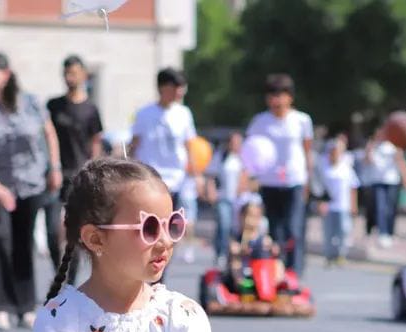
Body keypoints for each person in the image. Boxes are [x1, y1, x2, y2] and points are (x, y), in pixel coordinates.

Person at [22, 156, 230, 332]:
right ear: (96, 238)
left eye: (172, 225)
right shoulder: (62, 316)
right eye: (149, 228)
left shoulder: (182, 313)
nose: (165, 241)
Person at [0, 52, 63, 331]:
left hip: (30, 183)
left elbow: (49, 133)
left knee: (23, 242)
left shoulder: (29, 103)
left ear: (6, 74)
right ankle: (2, 306)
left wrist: (54, 167)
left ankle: (26, 305)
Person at [245, 73, 314, 273]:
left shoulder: (301, 120)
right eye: (271, 95)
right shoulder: (260, 121)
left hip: (294, 181)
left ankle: (294, 272)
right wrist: (250, 176)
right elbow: (250, 149)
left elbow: (307, 151)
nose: (275, 100)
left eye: (280, 95)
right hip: (269, 182)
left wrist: (309, 180)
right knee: (274, 231)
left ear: (289, 97)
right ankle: (277, 270)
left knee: (294, 229)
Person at [44, 55, 104, 278]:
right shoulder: (54, 106)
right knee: (52, 230)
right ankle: (57, 268)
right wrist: (52, 166)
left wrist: (93, 172)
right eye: (67, 73)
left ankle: (69, 281)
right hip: (55, 174)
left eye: (74, 73)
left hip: (79, 176)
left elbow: (95, 142)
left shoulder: (90, 109)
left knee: (74, 230)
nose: (70, 77)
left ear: (83, 75)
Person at [130, 67, 199, 210]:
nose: (179, 91)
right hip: (151, 178)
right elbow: (135, 144)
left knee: (178, 224)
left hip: (178, 179)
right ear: (162, 87)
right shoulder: (144, 113)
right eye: (175, 87)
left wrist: (196, 175)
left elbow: (189, 145)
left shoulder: (184, 113)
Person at [364, 125, 406, 247]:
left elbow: (401, 162)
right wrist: (368, 149)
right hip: (378, 182)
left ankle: (390, 232)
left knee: (391, 209)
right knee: (381, 208)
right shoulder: (374, 147)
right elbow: (368, 161)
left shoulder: (393, 147)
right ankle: (383, 233)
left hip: (392, 181)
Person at [316, 133, 359, 266]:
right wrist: (320, 203)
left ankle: (341, 255)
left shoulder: (346, 168)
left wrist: (354, 205)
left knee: (343, 231)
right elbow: (319, 187)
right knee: (328, 232)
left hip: (343, 206)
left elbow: (353, 187)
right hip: (329, 206)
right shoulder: (323, 167)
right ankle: (329, 256)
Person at [204, 131, 246, 263]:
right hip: (223, 197)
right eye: (234, 142)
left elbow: (247, 175)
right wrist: (211, 191)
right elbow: (211, 175)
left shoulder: (242, 158)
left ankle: (235, 254)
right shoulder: (221, 156)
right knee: (224, 225)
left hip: (239, 200)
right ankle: (221, 252)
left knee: (236, 228)